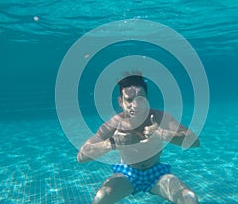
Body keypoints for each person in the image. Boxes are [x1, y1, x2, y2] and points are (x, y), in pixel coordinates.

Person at [77, 73, 200, 204]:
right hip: (127, 173)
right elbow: (81, 157)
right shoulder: (114, 124)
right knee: (101, 199)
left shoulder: (160, 117)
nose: (135, 105)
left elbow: (194, 141)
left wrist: (162, 133)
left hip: (156, 173)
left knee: (190, 199)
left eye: (140, 99)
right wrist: (112, 143)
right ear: (120, 102)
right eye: (129, 100)